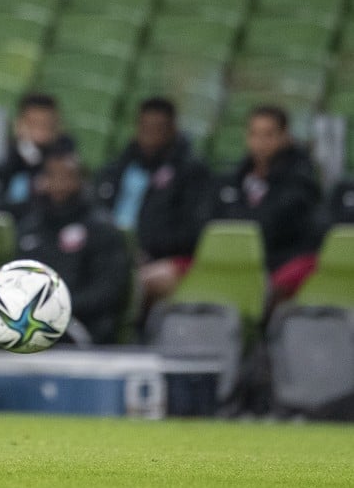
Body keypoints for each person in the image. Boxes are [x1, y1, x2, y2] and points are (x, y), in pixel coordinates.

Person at [94, 97, 210, 330]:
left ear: (172, 131)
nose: (150, 136)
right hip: (116, 253)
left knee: (133, 284)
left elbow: (193, 230)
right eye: (145, 128)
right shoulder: (117, 168)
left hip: (164, 258)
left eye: (158, 130)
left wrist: (147, 249)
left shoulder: (191, 173)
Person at [206, 105, 324, 313]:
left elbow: (268, 226)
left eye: (268, 135)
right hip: (233, 265)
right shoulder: (232, 180)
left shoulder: (301, 182)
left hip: (279, 264)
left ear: (285, 136)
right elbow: (207, 220)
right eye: (254, 134)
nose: (260, 143)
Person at [17, 150, 132, 345]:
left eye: (67, 177)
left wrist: (59, 306)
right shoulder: (30, 227)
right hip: (31, 317)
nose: (60, 184)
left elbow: (108, 291)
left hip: (82, 321)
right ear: (43, 181)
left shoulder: (101, 228)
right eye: (53, 176)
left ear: (81, 181)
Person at [0, 93, 75, 221]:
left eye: (47, 125)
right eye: (34, 124)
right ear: (19, 125)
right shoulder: (4, 159)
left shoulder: (68, 161)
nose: (40, 132)